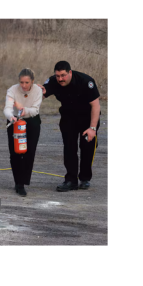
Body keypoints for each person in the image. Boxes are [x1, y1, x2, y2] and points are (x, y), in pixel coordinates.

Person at [39, 61, 100, 192]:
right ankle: (71, 180)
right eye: (58, 76)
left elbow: (95, 105)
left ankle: (85, 178)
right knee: (69, 148)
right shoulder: (53, 81)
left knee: (87, 148)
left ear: (70, 72)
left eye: (63, 75)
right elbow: (41, 95)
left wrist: (92, 128)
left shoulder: (86, 81)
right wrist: (34, 94)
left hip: (87, 119)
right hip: (69, 118)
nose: (60, 79)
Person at [4, 68, 42, 196]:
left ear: (32, 81)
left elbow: (35, 109)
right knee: (15, 152)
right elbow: (7, 108)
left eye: (27, 82)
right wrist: (11, 117)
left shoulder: (37, 91)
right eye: (21, 82)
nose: (24, 85)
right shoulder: (12, 90)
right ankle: (18, 183)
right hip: (15, 121)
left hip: (32, 120)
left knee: (29, 151)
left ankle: (24, 181)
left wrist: (25, 110)